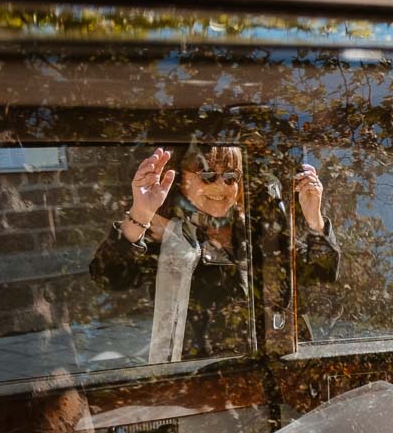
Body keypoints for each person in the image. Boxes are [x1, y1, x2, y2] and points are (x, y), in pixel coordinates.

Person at [92, 145, 339, 362]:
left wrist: (314, 219)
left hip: (275, 370)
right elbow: (109, 277)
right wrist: (141, 213)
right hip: (203, 379)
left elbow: (320, 278)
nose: (221, 185)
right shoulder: (164, 233)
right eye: (208, 175)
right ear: (181, 179)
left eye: (231, 177)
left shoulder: (259, 230)